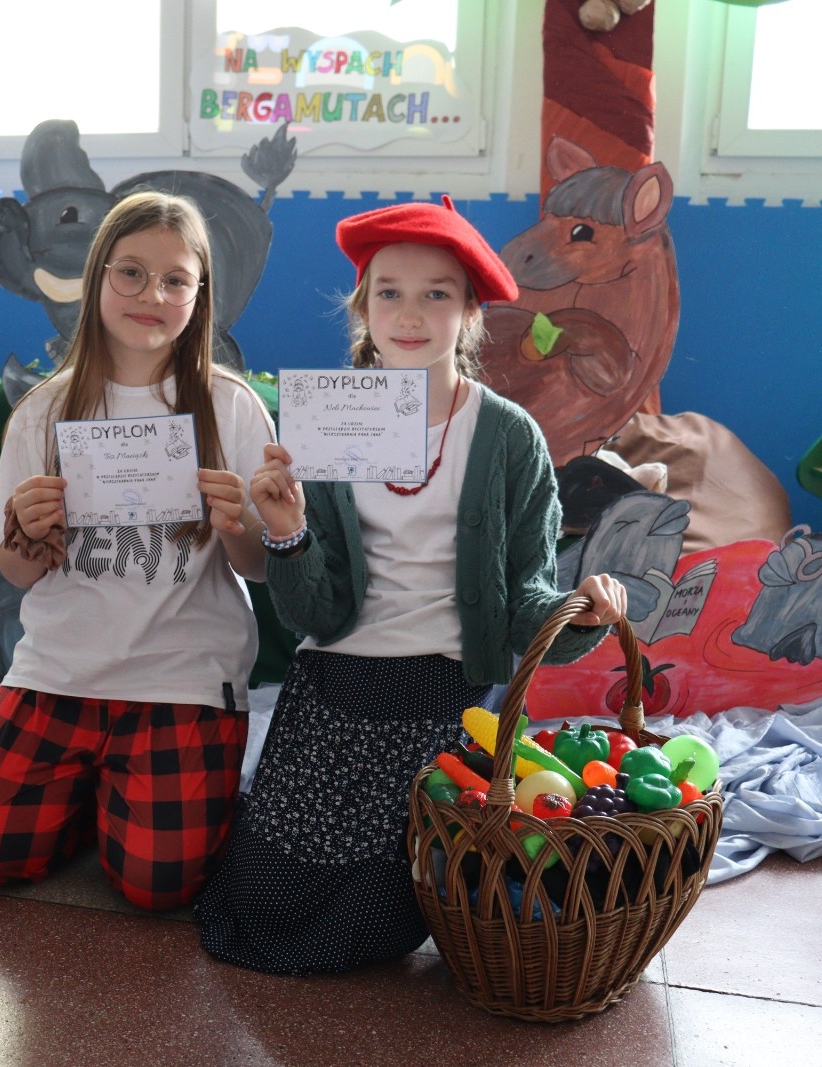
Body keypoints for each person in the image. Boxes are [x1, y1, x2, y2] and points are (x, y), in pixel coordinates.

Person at [194, 197, 628, 973]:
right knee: (261, 900)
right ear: (363, 308)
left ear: (469, 312)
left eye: (437, 293)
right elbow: (311, 611)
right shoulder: (328, 420)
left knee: (378, 916)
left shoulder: (508, 437)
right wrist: (288, 531)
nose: (411, 313)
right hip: (334, 677)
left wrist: (580, 610)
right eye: (389, 291)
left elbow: (525, 598)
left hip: (442, 689)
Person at [0, 190, 276, 911]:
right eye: (131, 273)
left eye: (175, 280)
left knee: (158, 887)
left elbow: (257, 567)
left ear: (199, 296)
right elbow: (14, 572)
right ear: (96, 277)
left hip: (182, 679)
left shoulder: (230, 406)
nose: (151, 295)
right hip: (58, 672)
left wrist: (238, 525)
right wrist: (28, 532)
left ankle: (127, 802)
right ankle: (96, 798)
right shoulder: (44, 409)